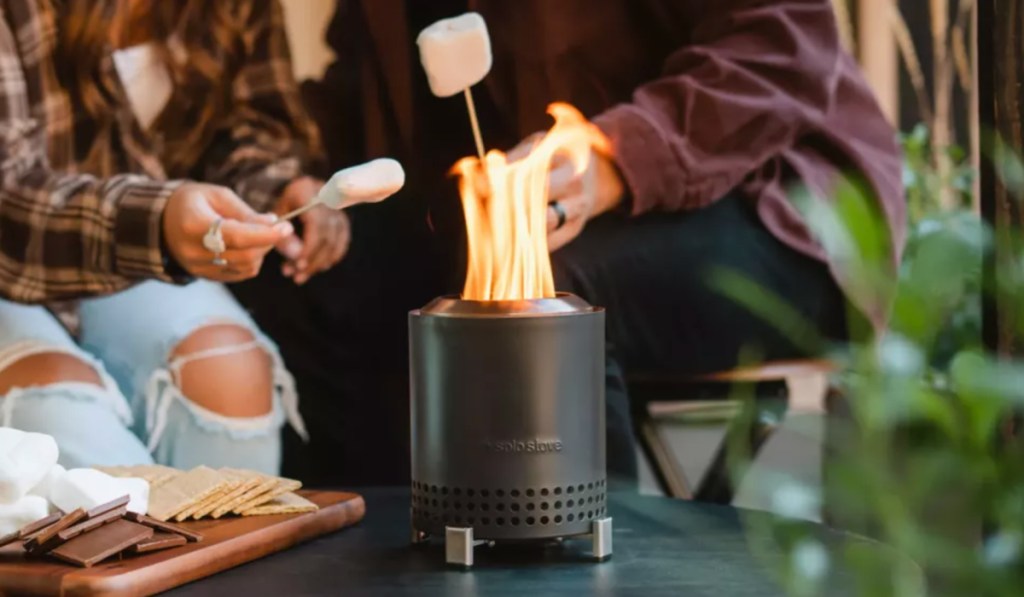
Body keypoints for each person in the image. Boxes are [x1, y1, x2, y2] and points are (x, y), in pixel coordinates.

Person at [234, 0, 904, 487]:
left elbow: (780, 46)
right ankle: (372, 563)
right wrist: (301, 180)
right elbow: (358, 84)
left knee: (537, 290)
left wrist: (616, 159)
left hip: (775, 209)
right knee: (306, 276)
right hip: (488, 229)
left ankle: (574, 568)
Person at [0, 0, 347, 474]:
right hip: (22, 250)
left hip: (134, 255)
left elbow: (253, 123)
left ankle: (229, 549)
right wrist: (158, 221)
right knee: (60, 412)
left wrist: (274, 187)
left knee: (231, 374)